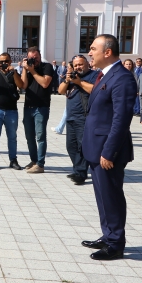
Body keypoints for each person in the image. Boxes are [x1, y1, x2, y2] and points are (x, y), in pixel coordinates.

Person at [81, 34, 136, 260]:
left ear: (108, 52)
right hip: (96, 147)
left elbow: (121, 119)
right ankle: (108, 234)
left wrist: (109, 151)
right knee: (102, 196)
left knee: (111, 195)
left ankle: (116, 243)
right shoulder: (104, 75)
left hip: (107, 151)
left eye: (93, 48)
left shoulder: (122, 78)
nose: (89, 53)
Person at [58, 55, 98, 185]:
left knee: (82, 146)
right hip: (71, 116)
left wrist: (79, 82)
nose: (78, 67)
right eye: (75, 65)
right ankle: (78, 170)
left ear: (87, 64)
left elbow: (95, 90)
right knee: (71, 146)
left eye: (80, 64)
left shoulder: (94, 75)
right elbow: (60, 91)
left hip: (84, 116)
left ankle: (80, 173)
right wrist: (67, 80)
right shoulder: (72, 76)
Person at [15, 46, 55, 173]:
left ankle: (40, 164)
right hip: (28, 107)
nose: (34, 60)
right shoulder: (27, 69)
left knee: (40, 136)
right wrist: (24, 69)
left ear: (39, 56)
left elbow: (45, 83)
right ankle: (34, 160)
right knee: (29, 136)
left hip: (41, 107)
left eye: (36, 57)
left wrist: (32, 71)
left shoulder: (46, 67)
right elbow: (23, 86)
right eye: (31, 58)